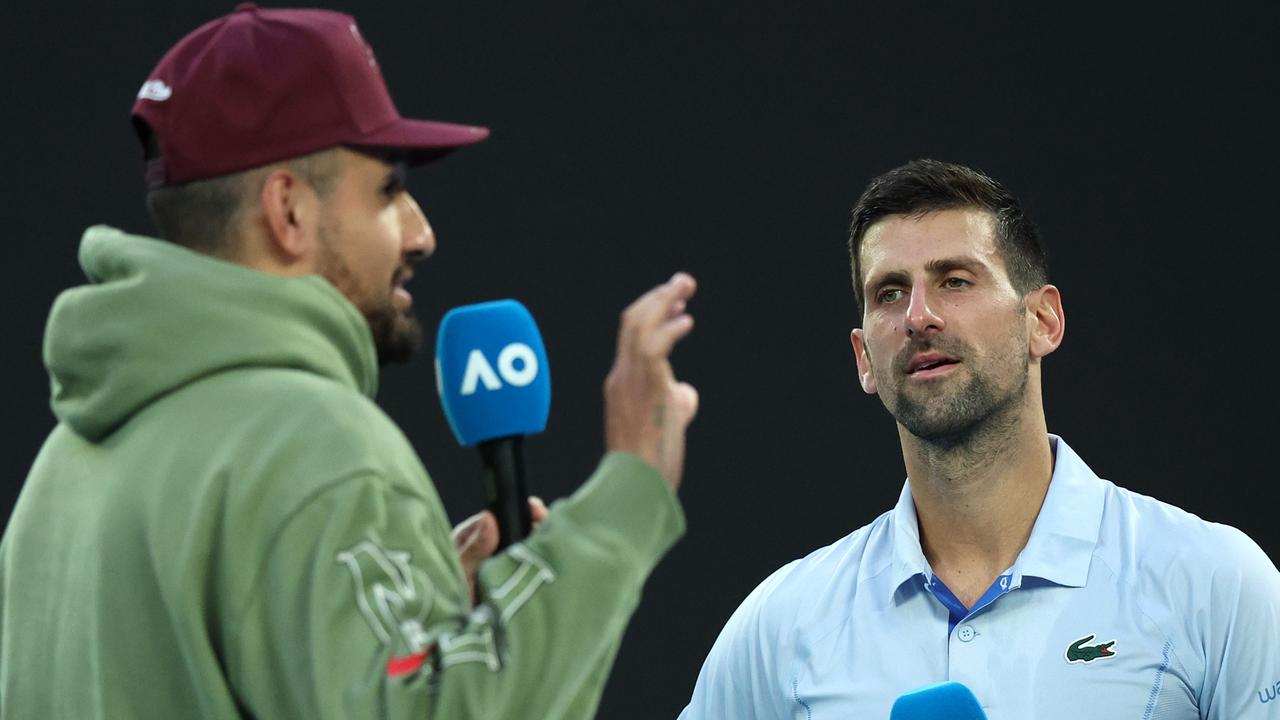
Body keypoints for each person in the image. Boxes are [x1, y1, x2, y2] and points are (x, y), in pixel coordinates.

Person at [0, 5, 700, 718]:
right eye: (389, 191)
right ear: (289, 210)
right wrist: (627, 495)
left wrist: (421, 623)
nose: (422, 233)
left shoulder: (60, 474)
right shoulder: (313, 446)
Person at [679, 159, 1279, 719]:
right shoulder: (780, 627)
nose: (918, 316)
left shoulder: (1215, 584)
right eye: (889, 293)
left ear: (1041, 321)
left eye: (956, 281)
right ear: (864, 358)